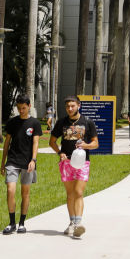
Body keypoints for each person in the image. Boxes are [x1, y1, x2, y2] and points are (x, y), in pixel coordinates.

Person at [49, 96, 99, 238]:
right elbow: (52, 141)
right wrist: (60, 152)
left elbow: (96, 143)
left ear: (78, 105)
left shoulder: (87, 122)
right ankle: (72, 223)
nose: (70, 109)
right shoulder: (61, 123)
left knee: (78, 192)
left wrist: (86, 145)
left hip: (83, 162)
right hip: (66, 163)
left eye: (72, 106)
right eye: (67, 107)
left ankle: (78, 223)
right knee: (70, 194)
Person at [0, 94, 41, 234]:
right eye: (19, 108)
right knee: (10, 190)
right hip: (12, 161)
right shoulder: (12, 122)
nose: (21, 111)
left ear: (29, 106)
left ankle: (22, 223)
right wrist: (3, 162)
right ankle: (11, 223)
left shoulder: (34, 123)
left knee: (25, 194)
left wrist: (33, 160)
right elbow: (6, 143)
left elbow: (35, 143)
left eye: (23, 108)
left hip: (27, 162)